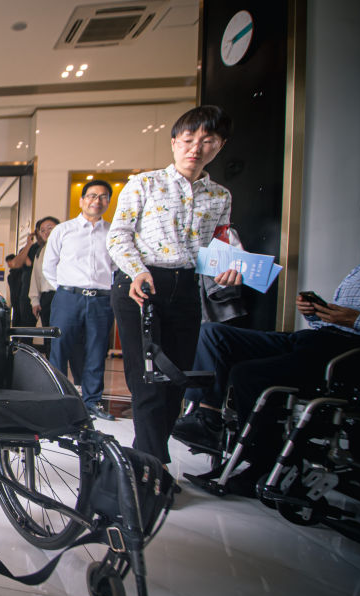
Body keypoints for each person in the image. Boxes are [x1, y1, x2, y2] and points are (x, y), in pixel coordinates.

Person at [174, 200, 360, 494]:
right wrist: (316, 313)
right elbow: (336, 317)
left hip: (350, 351)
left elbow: (351, 321)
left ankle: (261, 463)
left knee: (248, 374)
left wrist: (356, 320)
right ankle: (207, 417)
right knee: (213, 334)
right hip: (317, 337)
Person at [107, 105, 241, 466]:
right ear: (173, 142)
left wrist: (229, 268)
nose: (196, 148)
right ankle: (153, 469)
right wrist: (137, 271)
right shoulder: (145, 184)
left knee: (175, 379)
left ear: (220, 145)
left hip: (186, 288)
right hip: (140, 284)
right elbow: (118, 236)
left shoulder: (220, 196)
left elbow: (219, 243)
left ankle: (144, 463)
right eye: (188, 139)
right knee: (147, 380)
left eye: (207, 140)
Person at [41, 181, 117, 421]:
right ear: (82, 200)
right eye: (92, 196)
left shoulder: (114, 233)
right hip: (68, 298)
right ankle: (58, 400)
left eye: (103, 197)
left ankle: (92, 402)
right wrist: (67, 289)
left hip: (102, 300)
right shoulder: (63, 230)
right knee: (59, 349)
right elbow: (49, 266)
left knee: (97, 350)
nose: (97, 201)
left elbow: (117, 268)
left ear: (108, 202)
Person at [6, 227, 39, 327]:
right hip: (22, 299)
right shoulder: (14, 274)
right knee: (22, 324)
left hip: (34, 296)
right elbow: (15, 263)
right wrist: (28, 245)